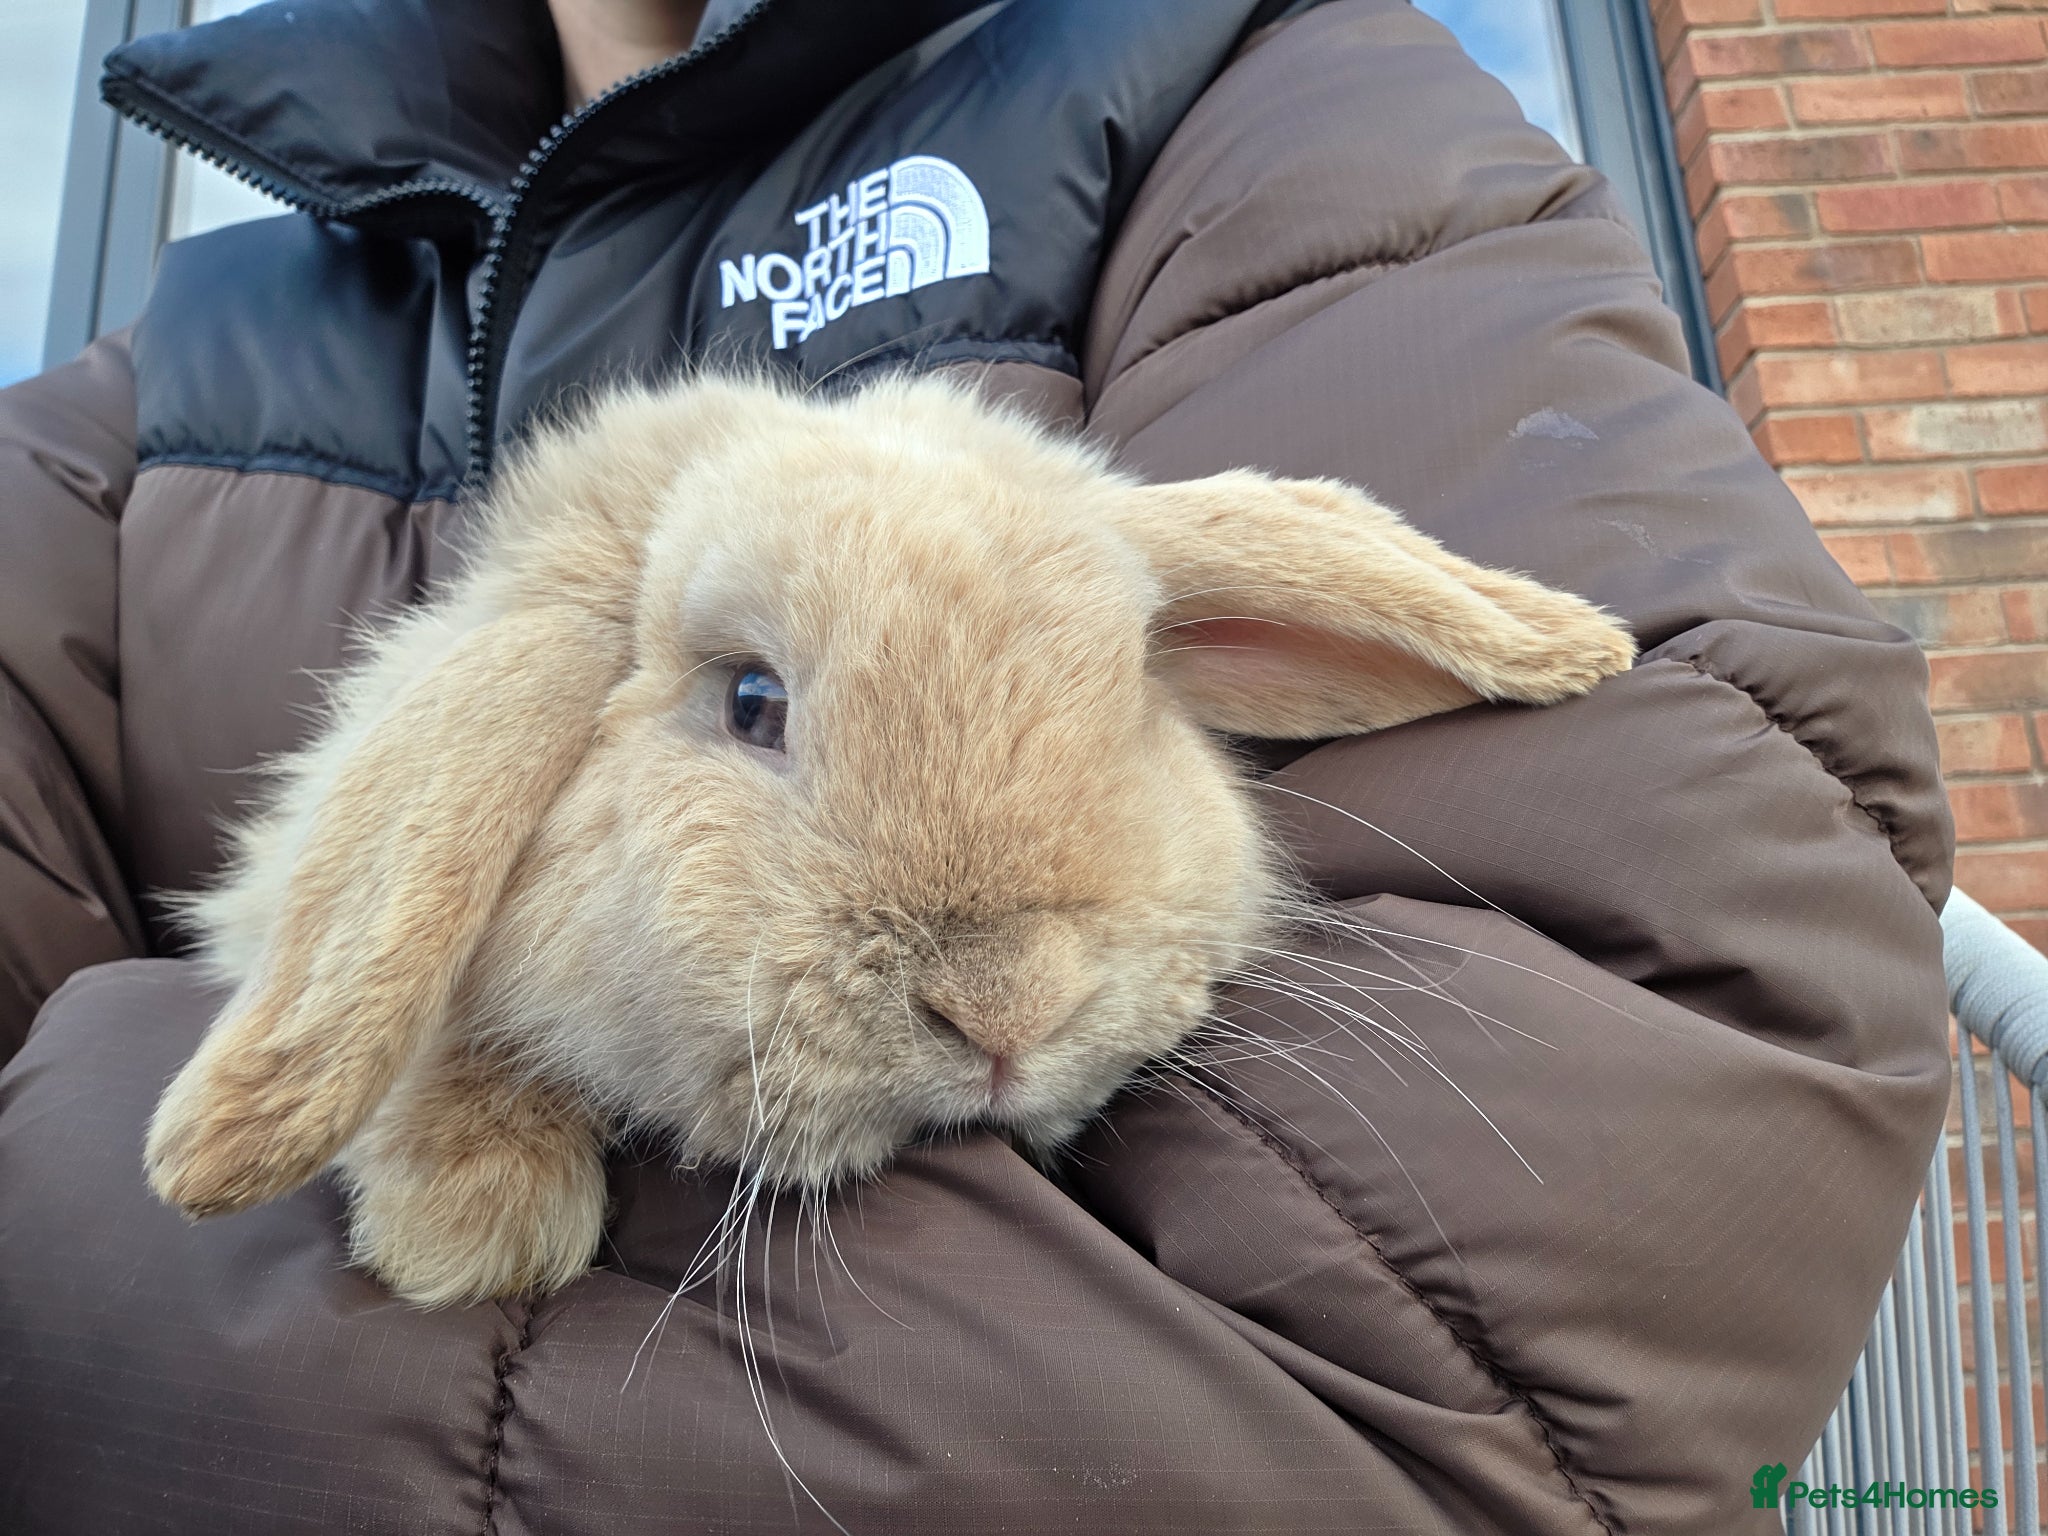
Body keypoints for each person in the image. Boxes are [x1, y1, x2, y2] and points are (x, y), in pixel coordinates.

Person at [0, 0, 1952, 1530]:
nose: (994, 997)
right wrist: (394, 1048)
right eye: (753, 711)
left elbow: (1525, 1285)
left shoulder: (1228, 75)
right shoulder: (190, 357)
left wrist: (90, 1164)